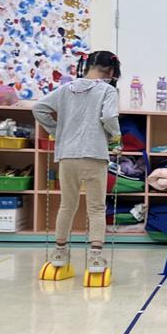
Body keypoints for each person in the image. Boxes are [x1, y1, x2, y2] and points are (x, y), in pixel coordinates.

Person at [33, 50, 121, 273]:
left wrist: (57, 132)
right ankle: (95, 259)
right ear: (111, 71)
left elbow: (38, 108)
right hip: (94, 155)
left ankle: (59, 253)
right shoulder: (107, 90)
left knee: (67, 205)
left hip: (68, 155)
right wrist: (116, 136)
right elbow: (109, 116)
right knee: (96, 207)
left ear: (87, 65)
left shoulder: (66, 89)